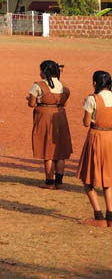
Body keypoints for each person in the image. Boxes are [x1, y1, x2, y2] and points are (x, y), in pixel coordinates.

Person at [27, 59, 72, 189]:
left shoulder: (38, 85)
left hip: (45, 116)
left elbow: (32, 104)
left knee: (47, 150)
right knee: (60, 151)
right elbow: (65, 104)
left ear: (44, 72)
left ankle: (49, 181)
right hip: (60, 116)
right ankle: (59, 181)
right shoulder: (64, 87)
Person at [76, 70, 112, 227]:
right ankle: (110, 215)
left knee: (88, 177)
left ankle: (98, 216)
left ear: (95, 83)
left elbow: (85, 122)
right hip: (110, 137)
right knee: (108, 178)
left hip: (96, 137)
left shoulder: (92, 99)